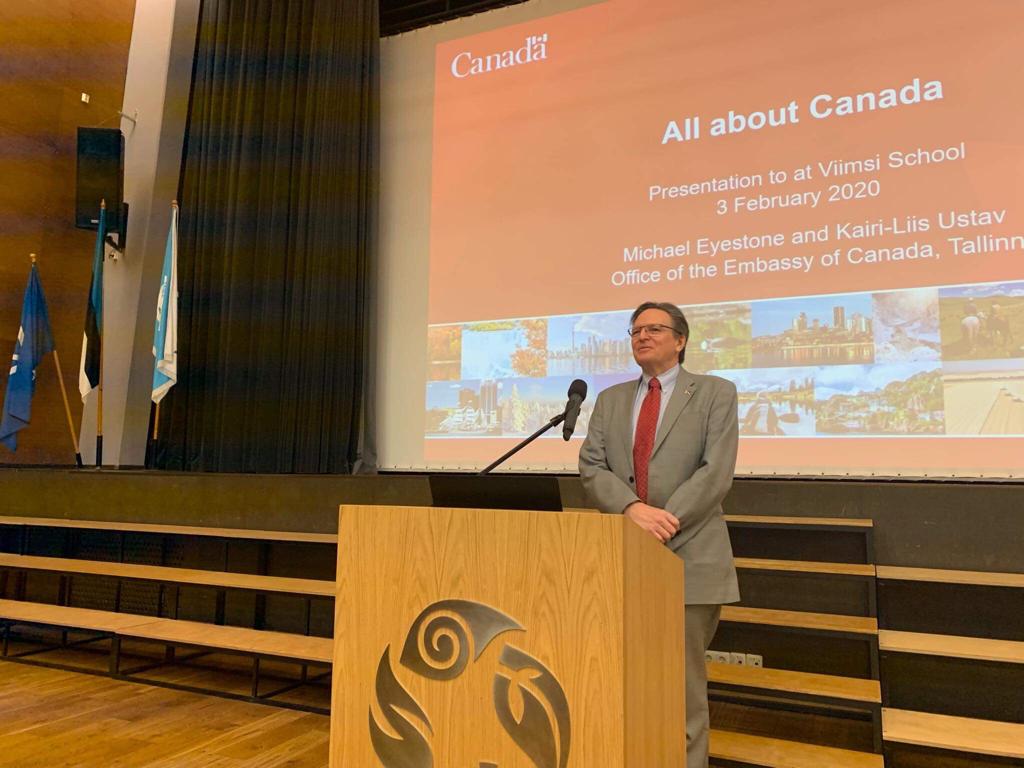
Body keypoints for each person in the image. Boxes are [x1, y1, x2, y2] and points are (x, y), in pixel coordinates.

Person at [579, 301, 739, 768]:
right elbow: (592, 465)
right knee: (624, 678)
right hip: (622, 558)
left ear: (680, 340)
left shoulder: (715, 392)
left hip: (690, 555)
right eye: (635, 331)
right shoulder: (610, 399)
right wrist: (632, 509)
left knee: (681, 687)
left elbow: (716, 471)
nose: (642, 337)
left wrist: (663, 519)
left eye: (654, 329)